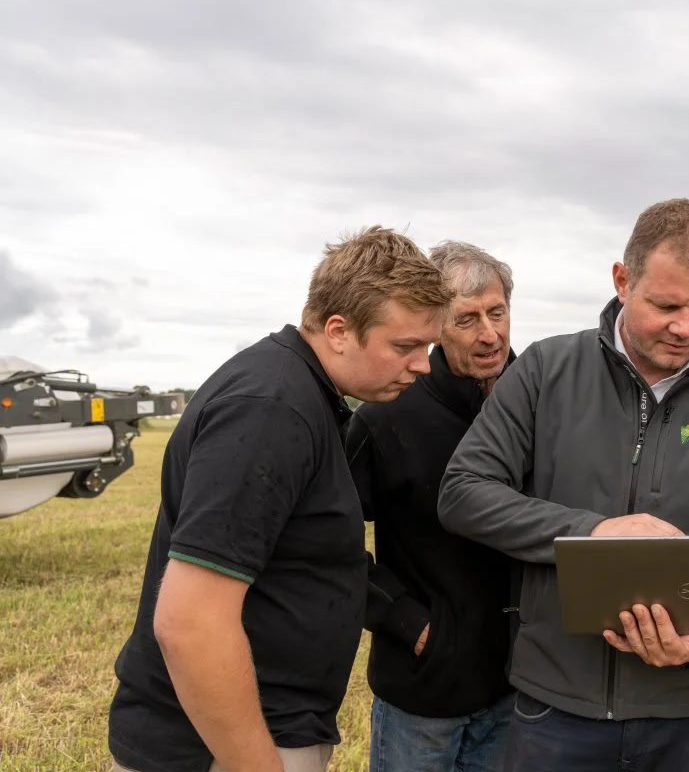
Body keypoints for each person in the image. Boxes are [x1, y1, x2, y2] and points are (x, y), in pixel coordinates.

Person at [437, 198, 689, 772]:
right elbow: (463, 492)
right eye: (666, 304)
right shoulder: (544, 370)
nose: (686, 327)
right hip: (557, 709)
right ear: (622, 280)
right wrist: (592, 531)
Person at [108, 226, 454, 772]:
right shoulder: (272, 408)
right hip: (219, 746)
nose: (423, 365)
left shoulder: (302, 391)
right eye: (406, 346)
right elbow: (190, 621)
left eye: (428, 347)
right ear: (338, 330)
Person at [346, 241, 519, 772]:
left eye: (498, 312)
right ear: (436, 324)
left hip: (521, 691)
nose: (489, 334)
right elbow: (327, 540)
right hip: (422, 692)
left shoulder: (541, 400)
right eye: (467, 319)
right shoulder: (386, 416)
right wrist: (407, 622)